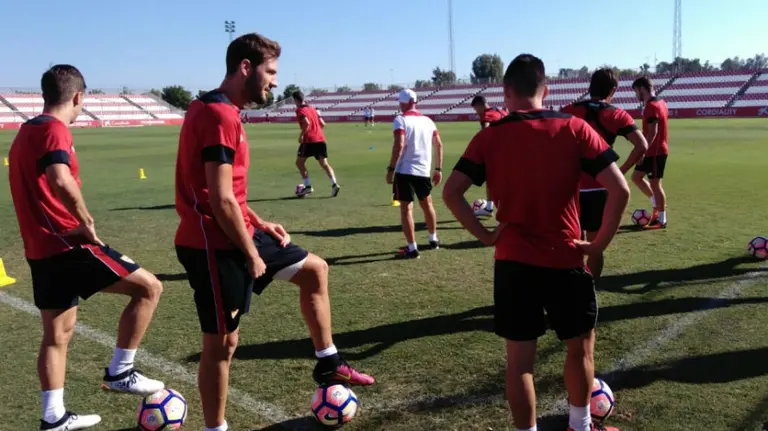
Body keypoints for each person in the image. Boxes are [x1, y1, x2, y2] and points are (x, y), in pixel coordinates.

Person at [174, 33, 374, 431]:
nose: (275, 82)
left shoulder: (219, 109)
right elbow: (219, 198)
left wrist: (258, 222)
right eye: (271, 71)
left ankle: (329, 365)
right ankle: (215, 428)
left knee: (314, 270)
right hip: (214, 243)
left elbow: (227, 193)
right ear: (245, 68)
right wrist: (252, 253)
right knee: (222, 345)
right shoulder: (219, 115)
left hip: (238, 228)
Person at [443, 54, 629, 431]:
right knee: (578, 349)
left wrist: (485, 235)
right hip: (566, 258)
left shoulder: (489, 136)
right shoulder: (574, 128)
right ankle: (580, 425)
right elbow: (620, 189)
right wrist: (598, 245)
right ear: (545, 90)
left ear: (506, 92)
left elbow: (452, 193)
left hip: (512, 261)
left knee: (520, 362)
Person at [8, 65, 165, 431]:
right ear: (78, 97)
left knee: (58, 333)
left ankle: (54, 417)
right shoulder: (53, 128)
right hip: (67, 243)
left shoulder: (25, 131)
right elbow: (59, 178)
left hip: (40, 249)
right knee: (149, 288)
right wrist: (85, 220)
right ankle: (121, 372)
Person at [561, 68, 648, 280]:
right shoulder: (617, 114)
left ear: (590, 87)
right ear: (613, 90)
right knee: (594, 245)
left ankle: (569, 287)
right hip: (599, 188)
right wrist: (621, 171)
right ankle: (589, 289)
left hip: (568, 188)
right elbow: (642, 145)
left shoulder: (567, 110)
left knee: (569, 242)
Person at [387, 89, 444, 259]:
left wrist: (390, 169)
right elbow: (439, 144)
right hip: (424, 170)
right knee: (428, 205)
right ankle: (433, 239)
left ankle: (412, 248)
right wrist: (438, 169)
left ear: (403, 103)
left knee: (406, 208)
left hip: (405, 171)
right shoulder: (428, 121)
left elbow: (399, 144)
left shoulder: (400, 120)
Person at [631, 76, 669, 229]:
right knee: (636, 177)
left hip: (655, 152)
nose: (636, 95)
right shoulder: (660, 102)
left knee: (655, 184)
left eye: (636, 91)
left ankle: (662, 220)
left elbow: (653, 132)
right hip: (653, 150)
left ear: (642, 89)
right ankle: (655, 206)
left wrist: (642, 152)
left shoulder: (651, 106)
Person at [293, 90, 340, 197]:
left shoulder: (300, 110)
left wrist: (302, 135)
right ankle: (334, 184)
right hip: (320, 139)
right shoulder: (312, 108)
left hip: (309, 141)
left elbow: (306, 123)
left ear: (295, 100)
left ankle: (308, 186)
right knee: (324, 164)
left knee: (299, 163)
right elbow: (323, 124)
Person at [470, 95, 507, 217]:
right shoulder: (500, 111)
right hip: (510, 150)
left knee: (493, 180)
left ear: (480, 105)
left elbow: (485, 130)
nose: (476, 112)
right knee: (496, 180)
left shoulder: (487, 115)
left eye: (476, 109)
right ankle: (490, 208)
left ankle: (498, 209)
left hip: (497, 153)